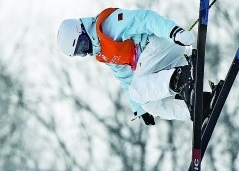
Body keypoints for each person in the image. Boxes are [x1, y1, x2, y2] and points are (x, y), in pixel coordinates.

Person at [57, 7, 198, 125]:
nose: (85, 51)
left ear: (82, 30)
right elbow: (126, 78)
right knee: (149, 104)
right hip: (165, 59)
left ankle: (181, 80)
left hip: (163, 43)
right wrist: (140, 110)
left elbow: (145, 19)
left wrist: (174, 32)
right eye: (80, 52)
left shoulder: (108, 25)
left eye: (82, 44)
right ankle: (197, 108)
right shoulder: (104, 53)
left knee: (137, 90)